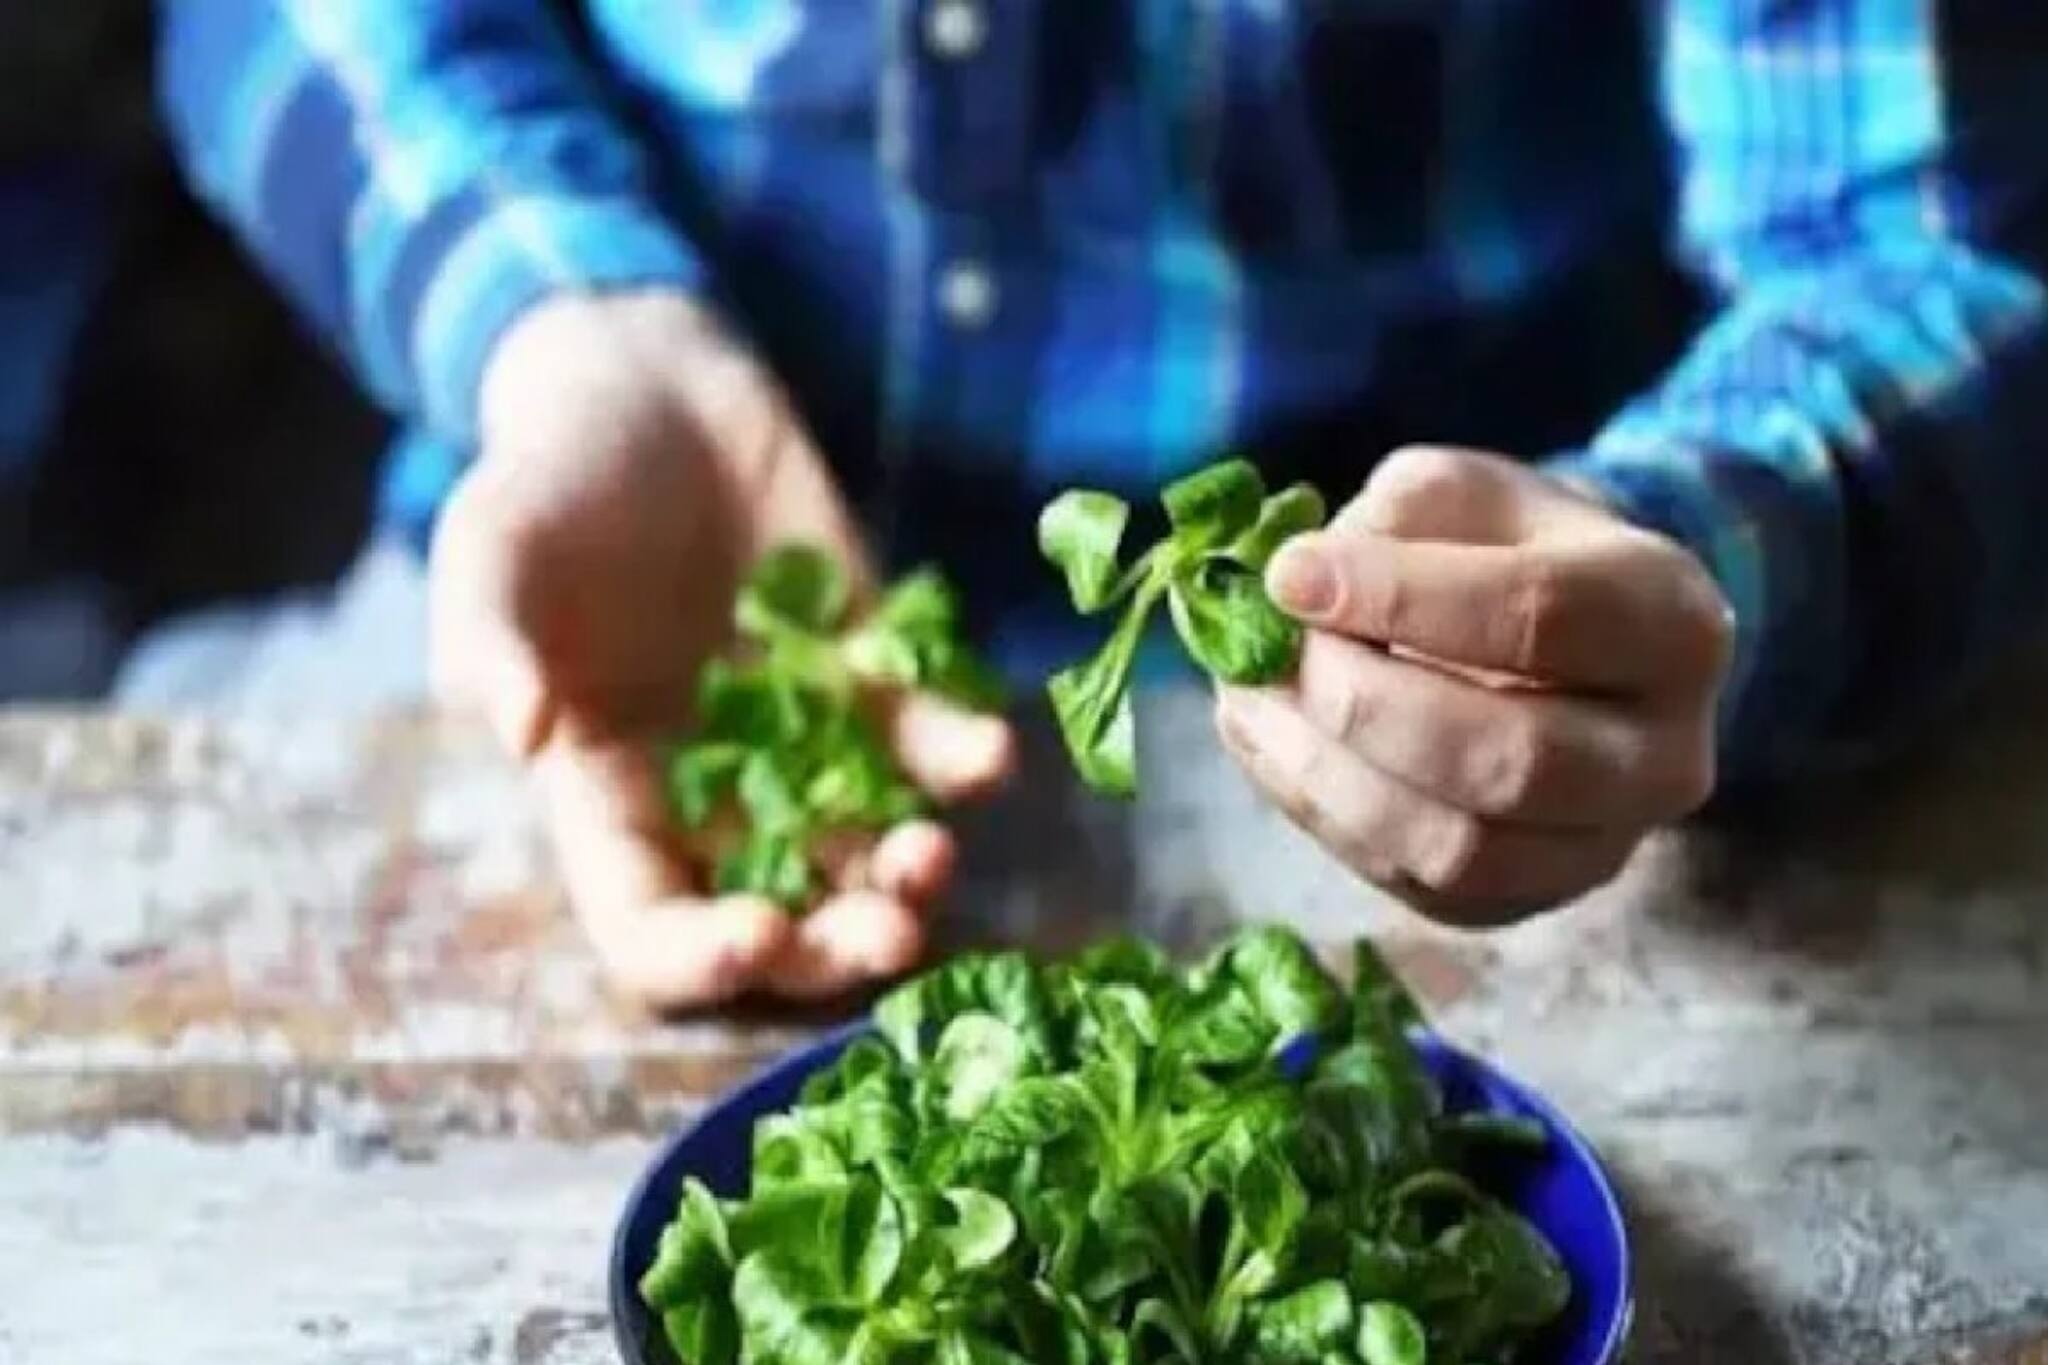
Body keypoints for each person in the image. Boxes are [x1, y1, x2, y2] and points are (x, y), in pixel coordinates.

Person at [155, 2, 2048, 1007]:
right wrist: (561, 329)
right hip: (619, 603)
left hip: (1464, 766)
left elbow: (1929, 255)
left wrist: (1682, 558)